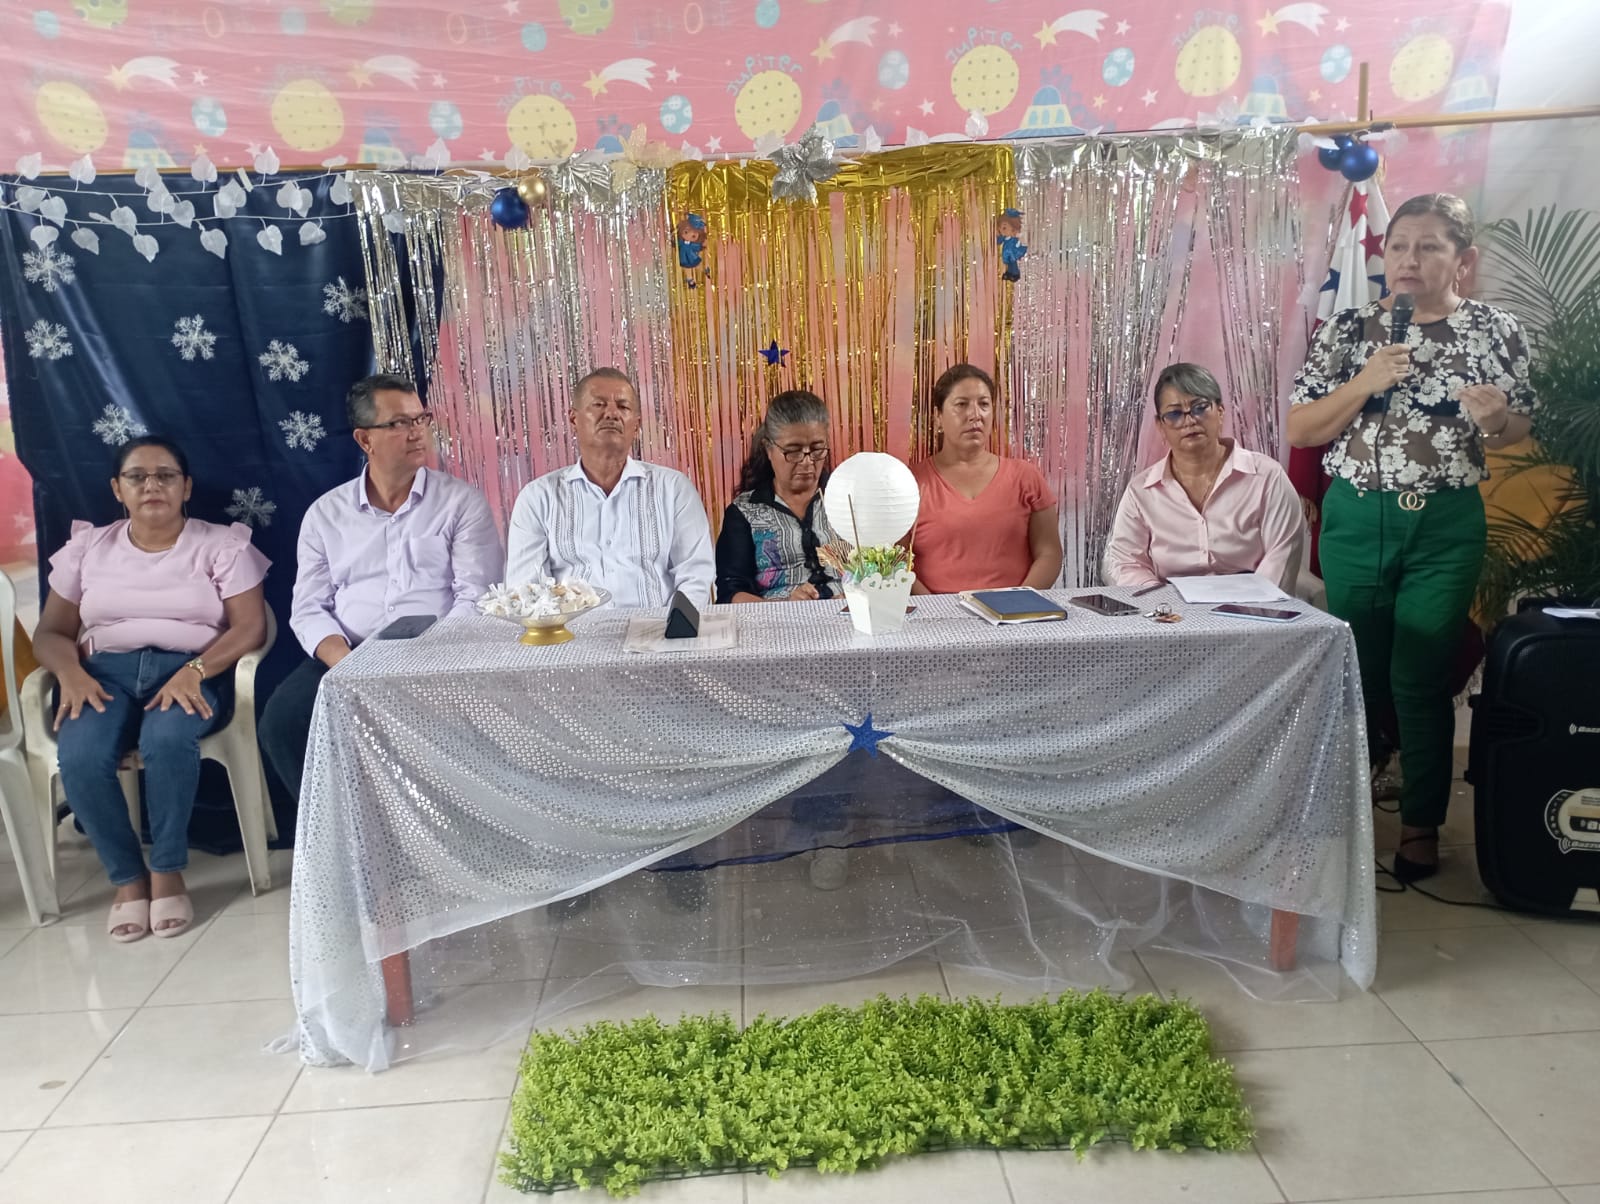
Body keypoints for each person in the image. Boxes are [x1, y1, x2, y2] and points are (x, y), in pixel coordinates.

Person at [1287, 193, 1536, 882]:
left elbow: (1517, 427)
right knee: (1361, 670)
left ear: (1463, 259)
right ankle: (1350, 802)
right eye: (1398, 245)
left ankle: (1422, 822)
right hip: (1356, 520)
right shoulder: (1349, 329)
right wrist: (1364, 383)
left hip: (1445, 524)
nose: (1409, 259)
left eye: (1428, 246)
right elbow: (1302, 428)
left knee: (1420, 673)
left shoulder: (1495, 331)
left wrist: (1497, 420)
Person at [32, 436, 269, 941]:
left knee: (167, 738)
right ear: (117, 489)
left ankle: (166, 872)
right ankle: (126, 879)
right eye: (137, 477)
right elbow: (49, 632)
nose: (151, 486)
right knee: (81, 753)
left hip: (190, 670)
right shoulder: (88, 548)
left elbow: (250, 627)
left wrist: (197, 670)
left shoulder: (221, 546)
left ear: (187, 487)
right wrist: (70, 673)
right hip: (101, 674)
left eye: (165, 475)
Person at [258, 373, 502, 804]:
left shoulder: (461, 503)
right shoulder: (326, 515)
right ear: (364, 439)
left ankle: (435, 828)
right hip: (350, 655)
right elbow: (309, 608)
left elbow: (476, 595)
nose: (416, 432)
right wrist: (346, 664)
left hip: (438, 656)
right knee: (283, 721)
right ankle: (339, 830)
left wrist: (428, 659)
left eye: (421, 419)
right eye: (399, 423)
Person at [506, 368, 715, 607]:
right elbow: (526, 590)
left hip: (658, 626)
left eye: (623, 407)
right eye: (599, 404)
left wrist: (673, 626)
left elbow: (695, 577)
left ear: (636, 425)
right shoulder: (538, 498)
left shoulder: (673, 489)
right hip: (571, 628)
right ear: (573, 419)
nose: (612, 414)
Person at [1104, 363, 1304, 592]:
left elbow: (1281, 557)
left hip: (1254, 604)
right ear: (1160, 426)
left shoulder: (1267, 477)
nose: (1189, 421)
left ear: (1220, 412)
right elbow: (1126, 561)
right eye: (1175, 414)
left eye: (1199, 408)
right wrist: (1160, 599)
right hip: (1169, 606)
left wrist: (1250, 603)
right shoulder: (1141, 491)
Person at [908, 364, 1062, 595]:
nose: (975, 415)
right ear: (938, 417)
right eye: (962, 404)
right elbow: (897, 563)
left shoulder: (1025, 477)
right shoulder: (910, 483)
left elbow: (1049, 553)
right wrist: (936, 609)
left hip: (1015, 611)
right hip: (936, 613)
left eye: (984, 404)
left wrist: (1019, 602)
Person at [716, 390, 841, 603]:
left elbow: (877, 568)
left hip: (848, 614)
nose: (807, 461)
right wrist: (783, 607)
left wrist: (858, 597)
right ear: (769, 449)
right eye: (793, 451)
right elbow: (731, 593)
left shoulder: (846, 498)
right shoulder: (745, 511)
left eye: (817, 449)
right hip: (775, 617)